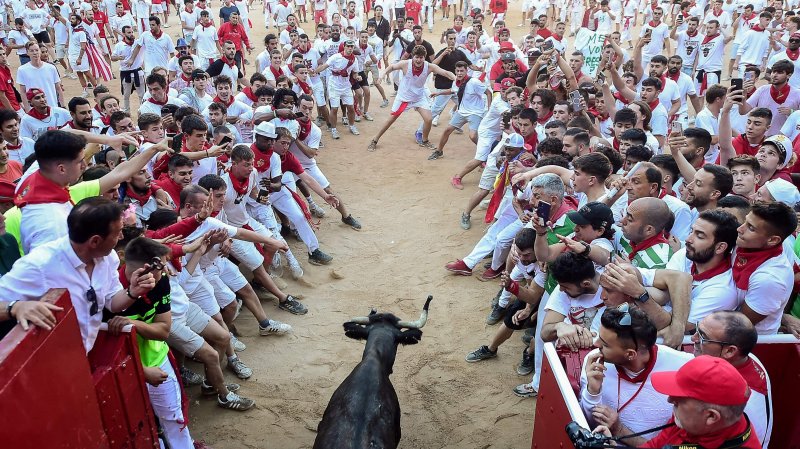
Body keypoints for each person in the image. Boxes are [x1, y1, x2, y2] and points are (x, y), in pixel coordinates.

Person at [0, 197, 156, 352]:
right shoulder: (39, 265)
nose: (121, 237)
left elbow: (112, 302)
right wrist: (16, 307)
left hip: (81, 357)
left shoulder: (108, 258)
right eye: (117, 233)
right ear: (95, 241)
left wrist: (132, 292)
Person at [596, 356, 762, 448]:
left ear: (711, 416)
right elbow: (654, 446)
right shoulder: (694, 422)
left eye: (679, 400)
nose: (669, 399)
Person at [580, 306, 693, 439]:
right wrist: (592, 391)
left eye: (605, 344)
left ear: (630, 354)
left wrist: (619, 429)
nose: (596, 344)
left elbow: (690, 440)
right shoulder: (595, 361)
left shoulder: (685, 365)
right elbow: (588, 426)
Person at [693, 311, 773, 446]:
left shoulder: (739, 401)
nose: (693, 339)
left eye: (702, 337)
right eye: (697, 330)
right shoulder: (747, 358)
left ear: (730, 351)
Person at [368, 45, 455, 150]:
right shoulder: (406, 64)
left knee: (428, 119)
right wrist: (382, 75)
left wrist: (456, 79)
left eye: (421, 57)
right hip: (404, 97)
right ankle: (374, 140)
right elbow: (391, 67)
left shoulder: (429, 66)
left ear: (424, 57)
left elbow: (445, 72)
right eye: (416, 57)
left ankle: (425, 140)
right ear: (413, 56)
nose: (418, 60)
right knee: (391, 119)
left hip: (418, 97)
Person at [733, 202, 796, 334]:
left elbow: (738, 325)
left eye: (751, 228)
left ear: (773, 240)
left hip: (747, 344)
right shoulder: (745, 243)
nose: (740, 229)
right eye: (745, 221)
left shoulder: (770, 279)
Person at [427, 61, 490, 160]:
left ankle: (485, 153)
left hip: (475, 112)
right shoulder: (456, 81)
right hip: (462, 111)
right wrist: (438, 93)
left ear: (466, 71)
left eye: (462, 71)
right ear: (455, 71)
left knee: (473, 136)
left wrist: (489, 109)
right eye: (457, 71)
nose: (459, 73)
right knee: (447, 130)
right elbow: (452, 91)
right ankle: (439, 151)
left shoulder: (474, 82)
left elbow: (488, 92)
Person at [17, 42, 64, 111]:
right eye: (31, 51)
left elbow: (58, 88)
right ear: (27, 53)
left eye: (36, 50)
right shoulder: (22, 70)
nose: (35, 53)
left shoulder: (51, 68)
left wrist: (62, 106)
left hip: (53, 107)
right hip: (34, 109)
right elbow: (23, 92)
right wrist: (27, 109)